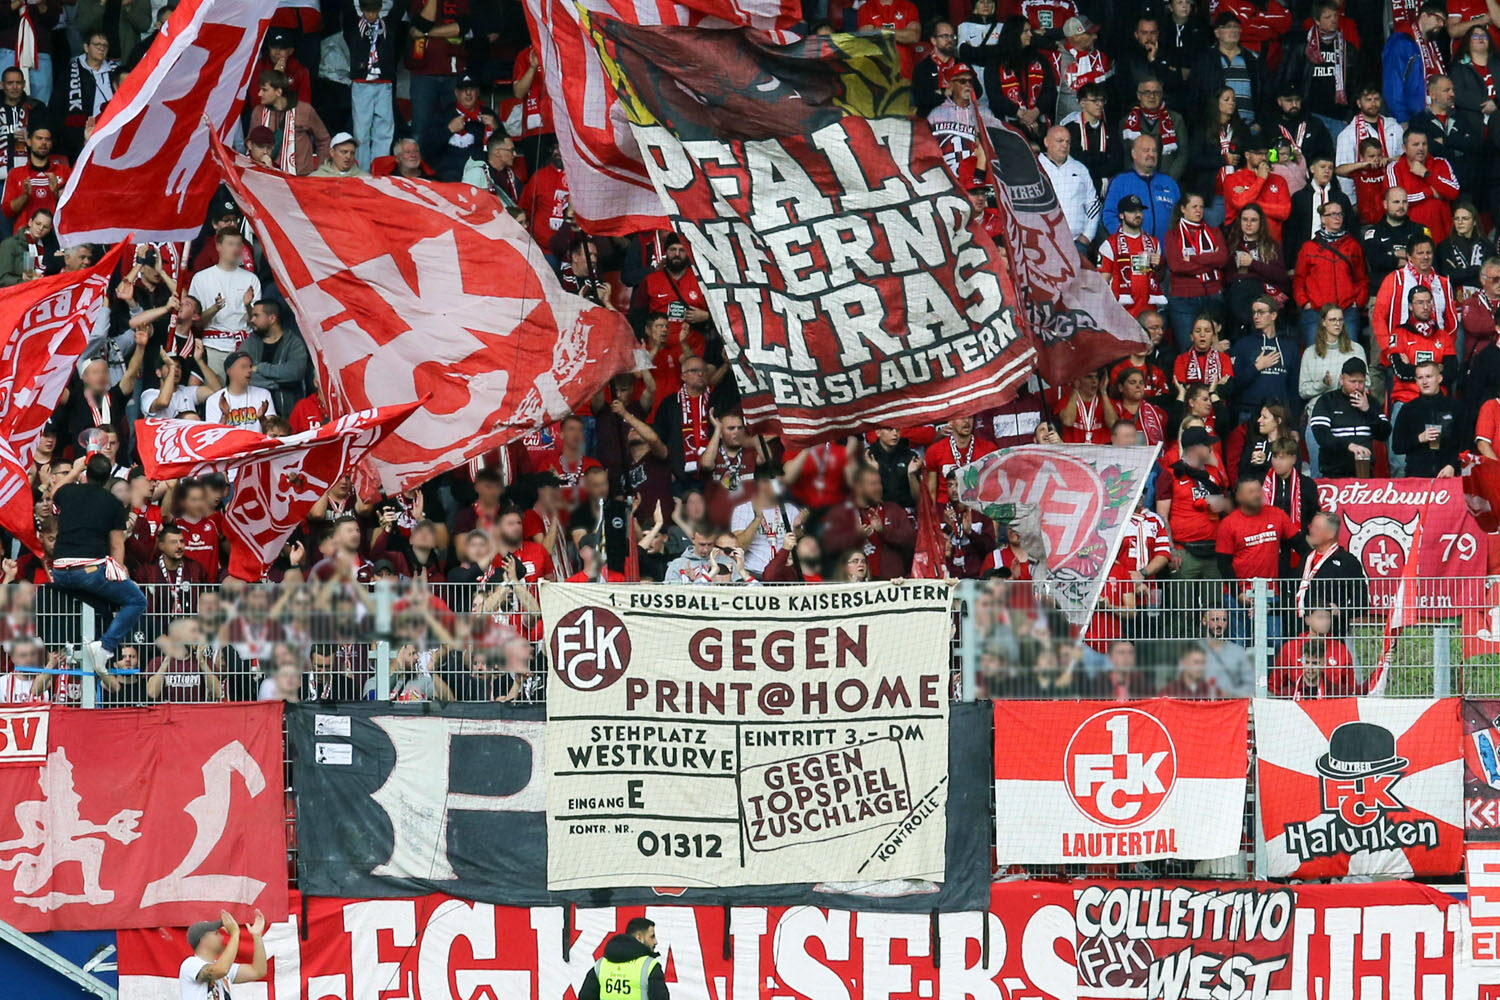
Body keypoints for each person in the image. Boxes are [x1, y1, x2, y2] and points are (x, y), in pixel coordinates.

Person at [50, 455, 145, 677]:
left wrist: (74, 471)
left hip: (60, 572)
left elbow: (54, 492)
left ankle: (77, 645)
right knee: (136, 600)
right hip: (89, 571)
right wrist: (119, 573)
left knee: (96, 601)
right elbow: (117, 546)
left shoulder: (68, 492)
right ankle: (104, 648)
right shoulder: (112, 503)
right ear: (108, 477)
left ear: (86, 472)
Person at [187, 229, 261, 378]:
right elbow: (195, 321)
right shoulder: (201, 278)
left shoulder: (251, 279)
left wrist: (247, 306)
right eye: (230, 244)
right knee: (214, 394)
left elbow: (257, 322)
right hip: (213, 347)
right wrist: (215, 308)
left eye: (238, 245)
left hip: (244, 347)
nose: (235, 249)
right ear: (218, 246)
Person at [1292, 202, 1368, 346]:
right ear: (1322, 219)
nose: (1337, 217)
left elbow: (1361, 278)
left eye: (1339, 214)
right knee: (1314, 354)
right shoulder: (1309, 247)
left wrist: (1357, 303)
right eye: (1332, 214)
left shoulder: (1353, 246)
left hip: (1346, 309)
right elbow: (1299, 279)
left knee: (1351, 353)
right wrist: (1305, 303)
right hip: (1315, 310)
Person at [1164, 193, 1227, 351]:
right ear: (1183, 209)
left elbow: (1222, 259)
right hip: (1183, 300)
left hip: (1212, 296)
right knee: (1188, 350)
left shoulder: (1214, 232)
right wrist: (1210, 262)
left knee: (1215, 350)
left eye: (1201, 207)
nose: (1199, 210)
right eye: (1194, 207)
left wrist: (1193, 258)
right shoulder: (1172, 235)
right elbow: (1177, 266)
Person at [344, 0, 398, 173]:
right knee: (361, 130)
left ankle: (380, 172)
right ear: (361, 9)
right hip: (362, 84)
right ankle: (363, 173)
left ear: (380, 9)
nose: (371, 15)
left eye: (375, 11)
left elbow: (400, 7)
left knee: (385, 128)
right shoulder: (353, 25)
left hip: (384, 83)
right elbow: (346, 8)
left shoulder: (388, 25)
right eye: (367, 11)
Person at [1189, 13, 1266, 127]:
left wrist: (1259, 123)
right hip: (1215, 127)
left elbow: (1264, 94)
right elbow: (1195, 95)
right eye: (1228, 27)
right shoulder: (1205, 60)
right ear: (1217, 33)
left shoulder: (1253, 59)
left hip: (1249, 127)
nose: (1233, 30)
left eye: (1236, 27)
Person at [248, 69, 330, 175]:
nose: (259, 94)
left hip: (301, 178)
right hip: (268, 177)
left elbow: (324, 140)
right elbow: (251, 144)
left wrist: (321, 171)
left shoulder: (305, 110)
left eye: (264, 90)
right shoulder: (258, 112)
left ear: (278, 92)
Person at [1386, 127, 1461, 243]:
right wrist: (1430, 192)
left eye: (1424, 144)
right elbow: (1396, 202)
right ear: (1404, 148)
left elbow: (1454, 192)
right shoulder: (1394, 168)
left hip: (1443, 236)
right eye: (1415, 144)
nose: (1421, 148)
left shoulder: (1441, 163)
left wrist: (1426, 174)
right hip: (1410, 237)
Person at [1101, 134, 1180, 241]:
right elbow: (1108, 216)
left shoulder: (1169, 183)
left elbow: (1181, 218)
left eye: (1154, 151)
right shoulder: (1120, 181)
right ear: (1134, 154)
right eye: (1146, 150)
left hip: (1166, 254)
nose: (1151, 154)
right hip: (1134, 254)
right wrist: (1126, 240)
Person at [1383, 0, 1450, 125]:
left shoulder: (1431, 44)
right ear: (1424, 16)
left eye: (1443, 22)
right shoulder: (1401, 42)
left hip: (1434, 116)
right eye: (1438, 19)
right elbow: (1393, 84)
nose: (1441, 25)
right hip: (1412, 118)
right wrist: (1402, 119)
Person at [1334, 83, 1404, 202]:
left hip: (1393, 194)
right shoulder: (1347, 134)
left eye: (1376, 99)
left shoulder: (1394, 126)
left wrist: (1389, 160)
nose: (1373, 103)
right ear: (1359, 103)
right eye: (1368, 100)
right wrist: (1352, 202)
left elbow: (1405, 159)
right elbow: (1343, 175)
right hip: (1364, 198)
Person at [1099, 194, 1165, 317]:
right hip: (1121, 313)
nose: (1137, 214)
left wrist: (1159, 266)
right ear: (1121, 215)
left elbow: (1159, 278)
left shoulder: (1154, 242)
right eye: (1132, 211)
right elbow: (1103, 282)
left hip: (1149, 311)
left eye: (1139, 210)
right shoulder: (1110, 244)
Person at [241, 299, 310, 418]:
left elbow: (295, 373)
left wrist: (260, 368)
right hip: (255, 416)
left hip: (288, 416)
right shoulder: (249, 344)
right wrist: (277, 383)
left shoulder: (294, 343)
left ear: (272, 319)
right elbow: (239, 374)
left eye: (256, 316)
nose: (252, 320)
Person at [1392, 358, 1460, 477]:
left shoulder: (1454, 406)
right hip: (1416, 479)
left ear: (1439, 378)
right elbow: (1397, 446)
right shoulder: (1408, 409)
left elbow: (1464, 441)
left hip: (1448, 475)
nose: (1424, 382)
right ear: (1416, 381)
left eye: (1429, 376)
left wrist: (1452, 465)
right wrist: (1419, 438)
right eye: (1420, 377)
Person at [1286, 155, 1356, 268]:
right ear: (1312, 169)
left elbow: (1351, 228)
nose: (1327, 171)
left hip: (1337, 258)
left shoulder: (1341, 198)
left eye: (1330, 168)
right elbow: (1291, 233)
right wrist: (1290, 265)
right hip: (1306, 257)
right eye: (1322, 167)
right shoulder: (1299, 198)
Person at [1037, 125, 1099, 251]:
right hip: (1042, 244)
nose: (1064, 145)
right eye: (1060, 141)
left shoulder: (1080, 169)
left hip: (1076, 244)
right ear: (1046, 142)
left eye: (1067, 142)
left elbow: (1093, 205)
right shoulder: (1034, 168)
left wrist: (1087, 236)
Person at [180, 910, 267, 999]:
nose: (222, 937)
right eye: (217, 933)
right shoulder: (190, 964)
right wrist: (235, 934)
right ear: (203, 940)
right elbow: (221, 970)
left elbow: (258, 971)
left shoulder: (223, 967)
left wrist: (257, 936)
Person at [578, 917, 669, 1000]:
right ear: (639, 937)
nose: (655, 942)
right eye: (652, 936)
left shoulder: (601, 966)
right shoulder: (649, 967)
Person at [1223, 138, 1293, 242]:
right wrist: (1261, 179)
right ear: (1247, 155)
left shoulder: (1279, 180)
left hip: (1272, 244)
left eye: (1266, 153)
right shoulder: (1232, 178)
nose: (1264, 157)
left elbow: (1284, 212)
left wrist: (1253, 204)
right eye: (1258, 154)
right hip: (1242, 242)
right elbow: (1239, 203)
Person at [2, 126, 67, 231]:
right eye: (39, 138)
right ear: (29, 141)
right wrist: (25, 196)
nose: (44, 143)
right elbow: (7, 212)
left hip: (56, 235)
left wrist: (56, 193)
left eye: (47, 139)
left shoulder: (64, 171)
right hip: (24, 237)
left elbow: (77, 206)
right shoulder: (15, 173)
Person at [205, 351, 276, 432]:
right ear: (229, 371)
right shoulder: (214, 400)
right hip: (230, 444)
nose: (249, 370)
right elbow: (213, 435)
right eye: (243, 367)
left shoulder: (263, 394)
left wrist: (262, 418)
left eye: (250, 366)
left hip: (257, 443)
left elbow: (273, 432)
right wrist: (224, 416)